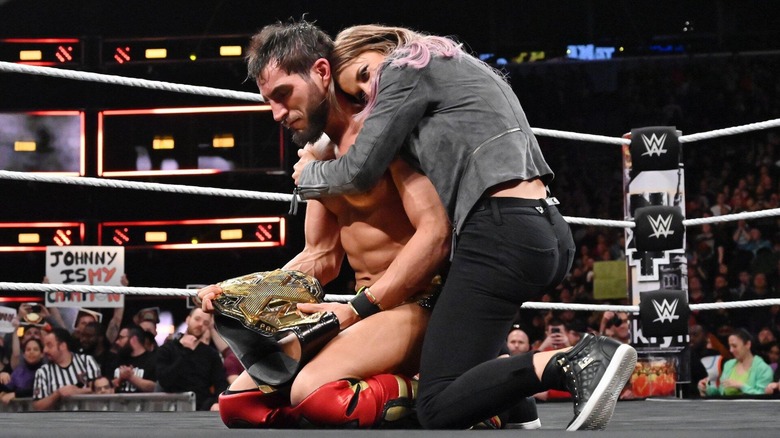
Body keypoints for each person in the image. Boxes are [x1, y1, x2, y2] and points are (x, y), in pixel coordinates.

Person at [293, 24, 637, 430]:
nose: (369, 95)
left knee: (437, 405)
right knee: (462, 360)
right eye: (356, 93)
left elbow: (360, 170)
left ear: (380, 47)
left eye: (365, 76)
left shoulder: (405, 67)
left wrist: (309, 172)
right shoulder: (463, 67)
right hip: (546, 227)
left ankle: (571, 362)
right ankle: (514, 407)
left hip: (499, 230)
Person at [197, 20, 467, 429]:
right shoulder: (318, 159)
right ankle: (374, 394)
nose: (277, 114)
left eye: (283, 95)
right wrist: (245, 293)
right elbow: (320, 257)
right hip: (362, 310)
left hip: (420, 303)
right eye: (268, 101)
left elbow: (436, 235)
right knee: (240, 404)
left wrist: (361, 308)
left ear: (322, 72)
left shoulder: (384, 132)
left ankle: (462, 401)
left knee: (318, 395)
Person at [156, 308, 227, 411]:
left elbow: (221, 384)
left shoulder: (211, 354)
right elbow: (164, 380)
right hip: (172, 404)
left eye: (205, 323)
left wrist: (217, 403)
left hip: (203, 405)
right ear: (188, 319)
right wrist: (186, 352)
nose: (200, 324)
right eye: (197, 319)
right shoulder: (167, 349)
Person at [32, 328, 100, 410]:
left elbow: (101, 390)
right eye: (44, 346)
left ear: (63, 346)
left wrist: (76, 391)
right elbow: (37, 406)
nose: (45, 350)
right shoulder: (43, 372)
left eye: (49, 345)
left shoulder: (86, 362)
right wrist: (57, 394)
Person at [698, 328, 773, 397]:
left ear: (747, 344)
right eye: (730, 346)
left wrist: (741, 386)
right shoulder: (728, 365)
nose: (731, 350)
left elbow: (763, 397)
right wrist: (707, 388)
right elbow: (721, 393)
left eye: (734, 346)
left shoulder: (764, 369)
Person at [113, 325, 157, 393]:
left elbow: (154, 387)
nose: (117, 342)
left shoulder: (153, 360)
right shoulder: (117, 359)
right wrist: (120, 378)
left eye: (121, 337)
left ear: (134, 339)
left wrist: (130, 377)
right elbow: (107, 385)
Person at [0, 337, 45, 405]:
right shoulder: (18, 372)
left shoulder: (46, 370)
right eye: (28, 349)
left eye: (35, 349)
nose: (31, 352)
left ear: (42, 354)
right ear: (24, 354)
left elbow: (39, 390)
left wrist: (16, 394)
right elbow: (6, 389)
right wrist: (2, 376)